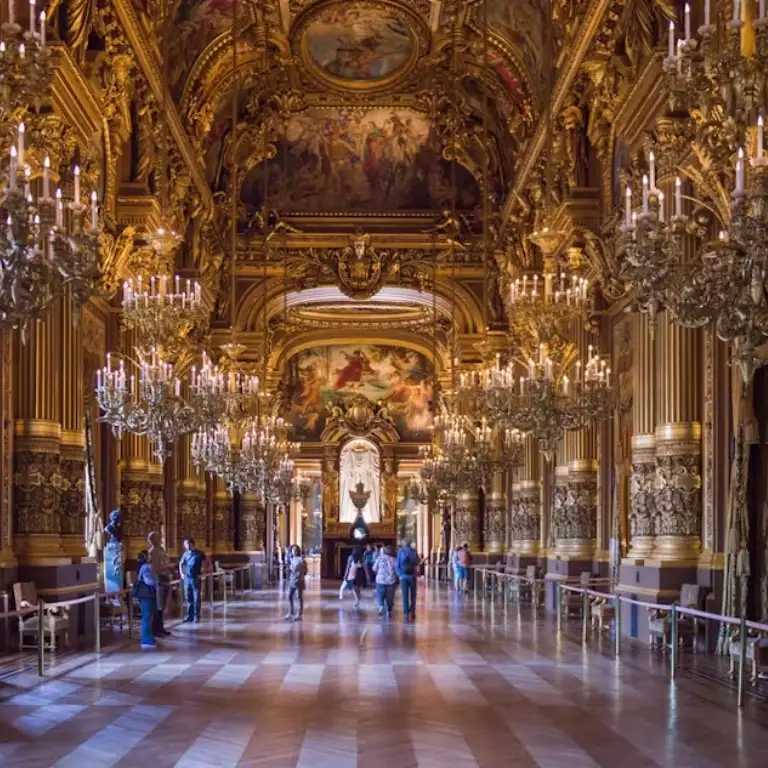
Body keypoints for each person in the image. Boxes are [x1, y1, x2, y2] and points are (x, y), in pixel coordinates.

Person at [147, 531, 172, 638]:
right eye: (158, 537)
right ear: (152, 540)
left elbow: (165, 561)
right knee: (158, 606)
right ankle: (155, 629)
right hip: (158, 579)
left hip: (165, 577)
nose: (160, 539)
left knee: (162, 605)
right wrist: (167, 567)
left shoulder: (161, 549)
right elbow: (154, 569)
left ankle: (160, 627)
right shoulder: (152, 552)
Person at [134, 550, 158, 650]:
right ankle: (146, 639)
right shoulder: (147, 567)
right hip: (147, 594)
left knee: (147, 616)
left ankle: (148, 636)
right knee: (147, 616)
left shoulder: (142, 566)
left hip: (144, 594)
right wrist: (157, 581)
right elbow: (150, 581)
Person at [179, 537, 206, 623]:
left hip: (195, 577)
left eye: (188, 544)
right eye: (185, 545)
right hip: (187, 578)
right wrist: (181, 573)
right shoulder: (185, 554)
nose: (186, 546)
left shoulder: (199, 553)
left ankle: (196, 616)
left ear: (192, 544)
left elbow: (205, 563)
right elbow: (181, 563)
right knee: (188, 598)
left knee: (196, 598)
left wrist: (202, 573)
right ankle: (189, 616)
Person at [396, 539, 419, 621]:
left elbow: (397, 565)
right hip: (412, 576)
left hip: (403, 577)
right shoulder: (414, 551)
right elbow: (417, 562)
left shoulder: (400, 551)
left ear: (403, 543)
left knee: (405, 595)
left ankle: (406, 612)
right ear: (410, 544)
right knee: (413, 595)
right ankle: (412, 611)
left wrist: (400, 575)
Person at [372, 544, 398, 618]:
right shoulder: (393, 559)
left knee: (380, 594)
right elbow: (396, 569)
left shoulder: (379, 558)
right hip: (391, 581)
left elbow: (374, 568)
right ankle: (389, 610)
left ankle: (381, 607)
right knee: (390, 596)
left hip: (380, 580)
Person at [285, 545, 307, 621]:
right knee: (289, 596)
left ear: (298, 551)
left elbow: (305, 570)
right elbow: (290, 569)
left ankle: (299, 614)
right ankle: (290, 613)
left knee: (299, 597)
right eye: (293, 550)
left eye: (296, 550)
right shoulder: (291, 559)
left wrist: (301, 573)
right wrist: (288, 571)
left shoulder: (301, 559)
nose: (295, 552)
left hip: (298, 580)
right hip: (292, 579)